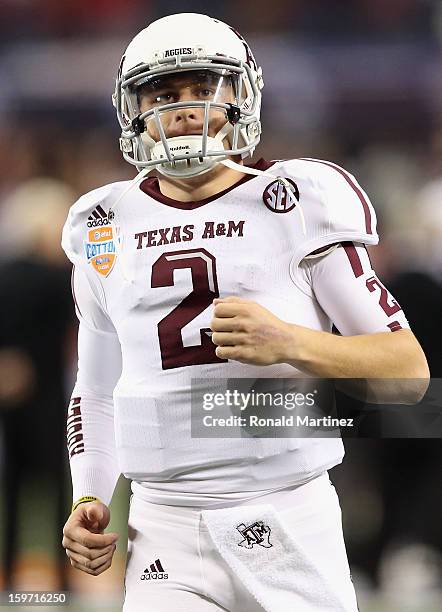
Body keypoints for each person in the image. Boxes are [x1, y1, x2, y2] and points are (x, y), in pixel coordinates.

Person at [60, 13, 429, 612]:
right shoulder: (99, 221)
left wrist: (291, 342)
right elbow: (96, 388)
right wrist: (89, 495)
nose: (181, 109)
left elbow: (408, 374)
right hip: (162, 529)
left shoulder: (297, 200)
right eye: (162, 93)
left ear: (240, 96)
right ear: (132, 109)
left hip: (285, 513)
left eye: (202, 89)